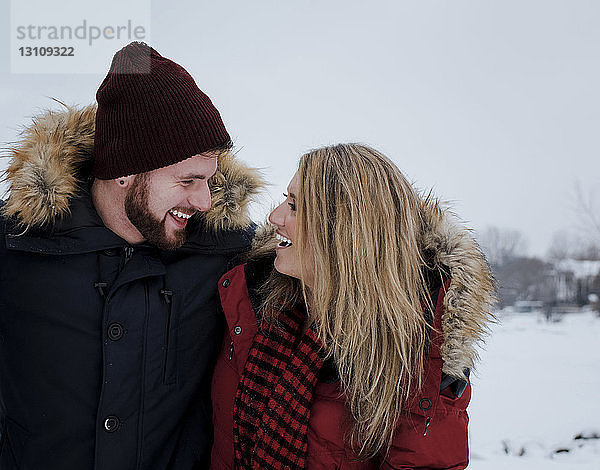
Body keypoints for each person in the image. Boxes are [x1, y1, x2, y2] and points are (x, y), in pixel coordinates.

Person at [0, 42, 263, 469]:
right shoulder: (19, 247)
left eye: (209, 180)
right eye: (188, 180)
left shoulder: (226, 255)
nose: (205, 200)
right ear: (124, 170)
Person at [210, 143, 496, 469]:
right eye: (283, 200)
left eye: (294, 206)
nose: (275, 217)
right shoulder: (254, 300)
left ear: (346, 232)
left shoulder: (416, 359)